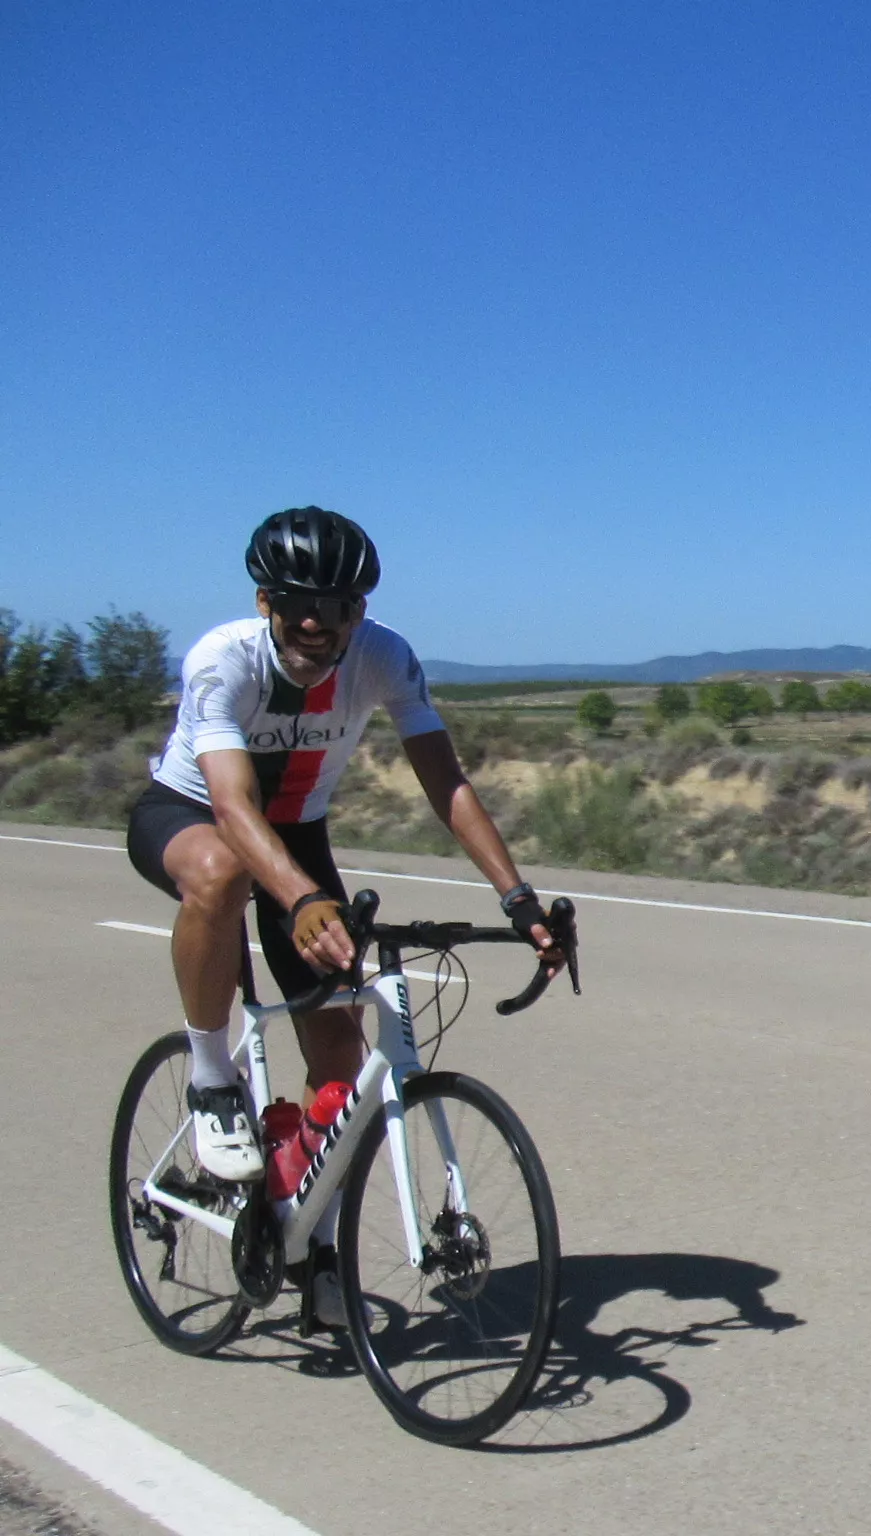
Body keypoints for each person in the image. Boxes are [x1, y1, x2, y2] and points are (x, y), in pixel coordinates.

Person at [126, 506, 560, 1326]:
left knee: (341, 1060)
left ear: (359, 610)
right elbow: (231, 801)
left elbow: (447, 783)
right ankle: (213, 1080)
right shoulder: (225, 660)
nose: (313, 621)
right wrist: (298, 898)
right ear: (264, 600)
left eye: (335, 605)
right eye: (294, 600)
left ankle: (314, 1244)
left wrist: (518, 897)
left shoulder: (385, 657)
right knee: (222, 874)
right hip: (193, 816)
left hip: (297, 831)